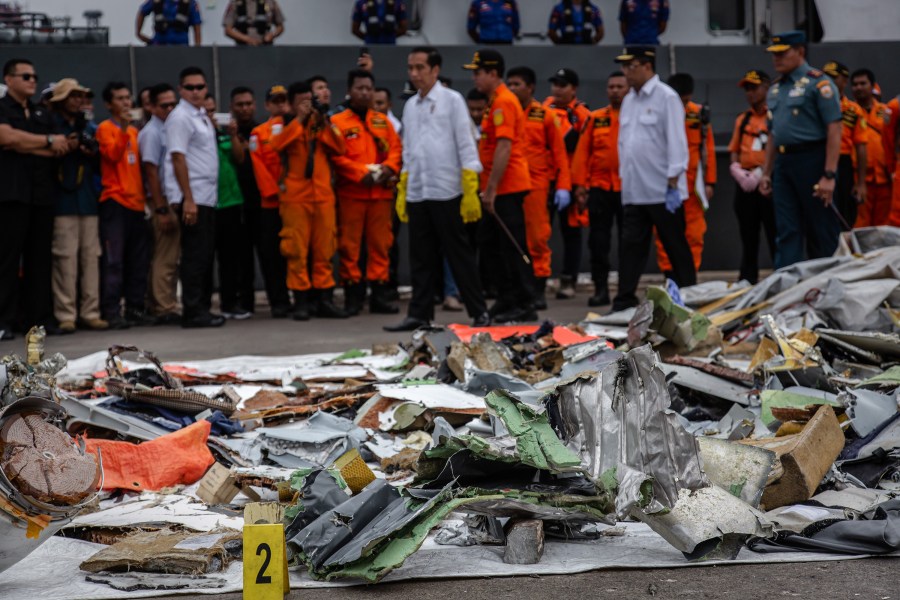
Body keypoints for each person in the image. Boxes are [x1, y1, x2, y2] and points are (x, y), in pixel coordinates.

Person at [384, 47, 490, 332]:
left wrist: (470, 185)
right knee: (420, 257)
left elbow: (466, 143)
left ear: (435, 70)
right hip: (419, 190)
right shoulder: (410, 106)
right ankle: (419, 314)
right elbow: (409, 150)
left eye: (420, 67)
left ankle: (479, 311)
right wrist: (405, 186)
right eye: (411, 68)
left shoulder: (452, 101)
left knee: (459, 254)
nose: (414, 73)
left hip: (448, 190)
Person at [612, 46, 694, 312]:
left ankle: (690, 294)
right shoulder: (629, 100)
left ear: (647, 66)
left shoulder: (666, 98)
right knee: (631, 247)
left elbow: (677, 143)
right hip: (636, 190)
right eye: (624, 66)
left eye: (630, 66)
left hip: (662, 190)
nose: (626, 72)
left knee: (674, 246)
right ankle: (624, 299)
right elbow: (626, 143)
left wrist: (673, 182)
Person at [758, 31, 842, 268]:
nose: (776, 59)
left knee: (821, 228)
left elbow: (834, 129)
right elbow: (774, 134)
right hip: (784, 164)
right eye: (774, 54)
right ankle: (787, 286)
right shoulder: (775, 89)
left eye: (782, 53)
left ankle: (828, 282)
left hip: (813, 160)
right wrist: (766, 172)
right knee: (786, 229)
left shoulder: (819, 84)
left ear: (800, 52)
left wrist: (829, 175)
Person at [0, 59, 69, 340]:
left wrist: (33, 144)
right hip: (10, 195)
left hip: (41, 195)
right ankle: (4, 320)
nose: (32, 80)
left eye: (35, 76)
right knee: (6, 260)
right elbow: (6, 138)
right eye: (25, 76)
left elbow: (60, 146)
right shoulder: (2, 108)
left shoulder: (42, 112)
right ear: (9, 79)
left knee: (40, 261)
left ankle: (38, 321)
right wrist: (46, 142)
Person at [465, 50, 535, 323]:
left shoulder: (504, 102)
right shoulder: (496, 101)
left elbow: (504, 148)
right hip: (497, 187)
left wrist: (491, 189)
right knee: (491, 245)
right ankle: (507, 296)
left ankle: (525, 300)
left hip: (507, 187)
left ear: (493, 73)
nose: (474, 77)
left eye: (478, 72)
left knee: (512, 245)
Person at [269, 80, 348, 321]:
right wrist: (299, 120)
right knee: (296, 251)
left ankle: (324, 299)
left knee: (325, 249)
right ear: (291, 104)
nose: (306, 105)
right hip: (295, 198)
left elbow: (340, 147)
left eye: (309, 100)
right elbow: (277, 145)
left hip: (322, 196)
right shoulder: (283, 125)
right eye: (301, 102)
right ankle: (301, 301)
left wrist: (322, 121)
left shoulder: (322, 123)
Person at [330, 70, 402, 317]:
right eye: (359, 88)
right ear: (350, 90)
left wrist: (388, 169)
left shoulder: (382, 121)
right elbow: (336, 157)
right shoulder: (338, 122)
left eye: (368, 88)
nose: (364, 92)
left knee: (381, 246)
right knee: (350, 247)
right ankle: (353, 297)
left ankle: (380, 297)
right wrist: (360, 172)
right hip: (352, 193)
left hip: (381, 194)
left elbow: (396, 149)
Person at [506, 66, 570, 310]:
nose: (512, 89)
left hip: (536, 187)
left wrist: (563, 186)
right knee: (512, 241)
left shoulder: (544, 116)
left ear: (530, 87)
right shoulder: (504, 112)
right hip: (509, 187)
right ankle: (516, 290)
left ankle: (537, 289)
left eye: (517, 84)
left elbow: (560, 155)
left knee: (537, 239)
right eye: (509, 84)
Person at [165, 66, 224, 328]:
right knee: (195, 256)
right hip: (194, 196)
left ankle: (202, 307)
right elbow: (178, 157)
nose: (196, 92)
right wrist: (187, 198)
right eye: (190, 87)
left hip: (207, 196)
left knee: (205, 255)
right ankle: (192, 310)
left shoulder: (200, 115)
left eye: (201, 87)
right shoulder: (180, 117)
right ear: (181, 89)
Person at [48, 79, 107, 333]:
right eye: (72, 96)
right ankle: (66, 314)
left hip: (87, 201)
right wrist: (67, 145)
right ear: (61, 100)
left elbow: (99, 158)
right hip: (61, 201)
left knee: (91, 259)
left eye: (79, 96)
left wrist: (89, 149)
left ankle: (90, 312)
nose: (77, 100)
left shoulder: (89, 127)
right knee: (65, 259)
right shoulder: (51, 125)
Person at [96, 82, 151, 330]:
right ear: (109, 104)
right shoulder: (105, 129)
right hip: (115, 201)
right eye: (120, 98)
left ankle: (135, 308)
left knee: (137, 261)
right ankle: (111, 310)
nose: (126, 103)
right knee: (114, 261)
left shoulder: (136, 133)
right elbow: (113, 155)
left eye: (128, 98)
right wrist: (125, 128)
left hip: (137, 204)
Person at [572, 71, 628, 307]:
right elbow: (583, 153)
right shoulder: (595, 118)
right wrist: (580, 186)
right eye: (611, 87)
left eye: (619, 86)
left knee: (630, 242)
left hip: (629, 189)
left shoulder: (634, 117)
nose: (614, 90)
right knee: (598, 242)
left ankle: (627, 291)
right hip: (599, 188)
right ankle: (601, 289)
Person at [654, 73, 716, 276]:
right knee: (664, 232)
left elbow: (708, 148)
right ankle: (669, 274)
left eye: (687, 100)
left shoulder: (698, 114)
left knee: (695, 233)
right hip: (666, 184)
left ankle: (691, 274)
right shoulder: (659, 112)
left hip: (693, 186)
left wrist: (710, 182)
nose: (683, 104)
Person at [205, 93, 255, 320]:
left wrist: (232, 135)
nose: (211, 116)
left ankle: (230, 303)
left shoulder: (224, 135)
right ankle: (203, 306)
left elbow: (240, 158)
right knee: (205, 259)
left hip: (232, 203)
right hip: (207, 202)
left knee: (230, 258)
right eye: (206, 112)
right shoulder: (197, 135)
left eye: (213, 111)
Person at [544, 67, 590, 300]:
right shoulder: (544, 110)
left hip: (571, 182)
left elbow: (585, 151)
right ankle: (538, 278)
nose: (557, 89)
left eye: (562, 85)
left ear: (573, 88)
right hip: (547, 179)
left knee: (571, 233)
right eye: (555, 84)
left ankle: (568, 280)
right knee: (540, 232)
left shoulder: (582, 115)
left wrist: (582, 186)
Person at [726, 70, 777, 284]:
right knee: (748, 235)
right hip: (746, 184)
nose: (750, 93)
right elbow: (735, 148)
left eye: (754, 88)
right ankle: (747, 279)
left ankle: (780, 274)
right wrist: (736, 169)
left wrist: (763, 172)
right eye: (747, 89)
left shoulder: (774, 115)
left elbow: (778, 147)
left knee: (775, 232)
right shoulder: (743, 118)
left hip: (768, 182)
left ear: (767, 87)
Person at [248, 85, 292, 318]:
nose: (280, 105)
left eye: (284, 101)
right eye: (275, 101)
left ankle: (301, 298)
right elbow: (258, 167)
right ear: (267, 105)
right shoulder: (258, 133)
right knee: (271, 256)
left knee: (294, 252)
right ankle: (279, 301)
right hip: (271, 204)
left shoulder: (295, 128)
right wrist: (274, 192)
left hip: (294, 202)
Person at [139, 82, 181, 325]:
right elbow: (151, 172)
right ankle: (163, 306)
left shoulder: (168, 128)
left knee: (171, 255)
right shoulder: (152, 133)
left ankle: (164, 302)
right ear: (152, 107)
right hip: (160, 200)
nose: (169, 108)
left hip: (168, 199)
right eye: (164, 105)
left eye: (172, 104)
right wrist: (161, 208)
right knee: (165, 255)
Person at [822, 61, 867, 229]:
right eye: (826, 77)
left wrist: (861, 183)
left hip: (844, 162)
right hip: (820, 160)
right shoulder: (815, 106)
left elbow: (861, 146)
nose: (828, 81)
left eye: (834, 77)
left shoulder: (853, 110)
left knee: (845, 214)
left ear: (844, 81)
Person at [851, 68, 892, 228]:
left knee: (885, 226)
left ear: (872, 86)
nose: (859, 87)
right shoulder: (848, 112)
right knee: (860, 224)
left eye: (863, 83)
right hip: (859, 179)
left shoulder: (887, 111)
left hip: (884, 178)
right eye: (855, 84)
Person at [136, 0, 202, 46]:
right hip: (159, 44)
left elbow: (197, 25)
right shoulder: (158, 1)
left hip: (181, 45)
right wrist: (139, 33)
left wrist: (197, 48)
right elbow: (142, 11)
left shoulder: (191, 3)